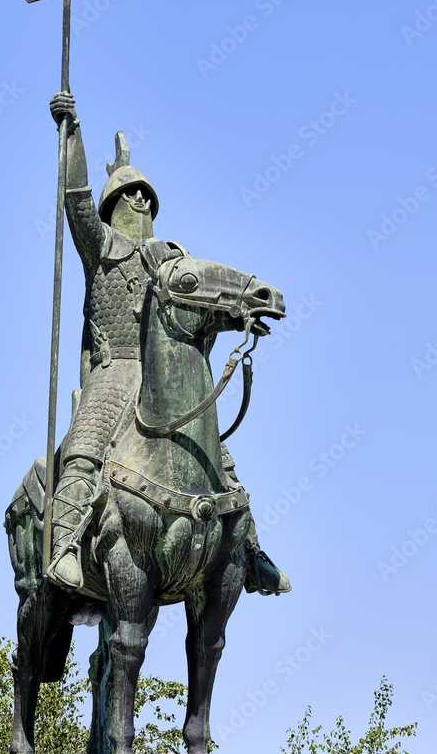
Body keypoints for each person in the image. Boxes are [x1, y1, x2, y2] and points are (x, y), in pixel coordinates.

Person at [47, 92, 290, 598]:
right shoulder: (102, 247)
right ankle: (66, 545)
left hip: (167, 374)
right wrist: (72, 132)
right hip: (116, 371)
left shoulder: (171, 259)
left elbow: (199, 305)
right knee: (84, 451)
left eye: (146, 196)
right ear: (115, 205)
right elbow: (76, 199)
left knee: (219, 462)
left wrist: (240, 315)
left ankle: (250, 553)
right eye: (130, 194)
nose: (140, 201)